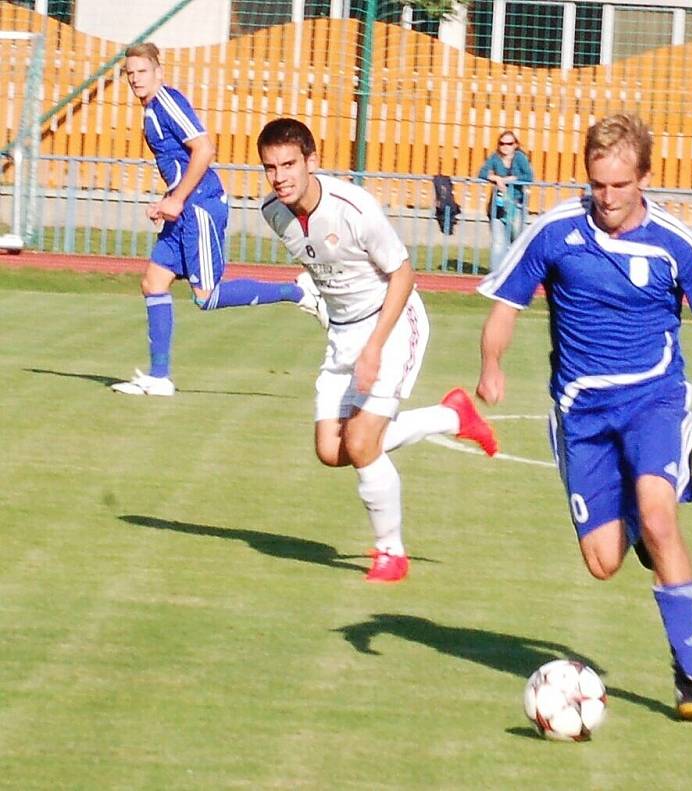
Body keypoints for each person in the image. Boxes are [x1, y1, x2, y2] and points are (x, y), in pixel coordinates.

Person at [476, 113, 692, 721]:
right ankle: (639, 523)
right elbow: (505, 305)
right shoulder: (557, 230)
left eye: (620, 185)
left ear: (644, 177)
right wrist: (492, 364)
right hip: (581, 414)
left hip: (654, 400)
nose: (607, 198)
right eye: (598, 184)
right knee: (603, 563)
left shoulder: (676, 242)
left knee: (659, 515)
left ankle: (689, 679)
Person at [257, 117, 498, 583]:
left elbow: (404, 275)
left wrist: (373, 347)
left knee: (362, 443)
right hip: (343, 333)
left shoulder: (354, 208)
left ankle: (391, 552)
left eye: (289, 164)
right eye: (270, 167)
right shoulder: (274, 211)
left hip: (393, 322)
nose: (280, 176)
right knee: (332, 451)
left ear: (312, 161)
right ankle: (453, 417)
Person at [112, 43, 326, 397]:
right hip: (183, 207)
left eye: (142, 71)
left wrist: (178, 199)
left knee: (207, 297)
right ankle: (159, 377)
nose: (135, 78)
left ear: (158, 72)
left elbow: (205, 148)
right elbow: (180, 162)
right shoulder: (151, 109)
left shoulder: (166, 102)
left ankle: (299, 292)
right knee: (153, 283)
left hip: (200, 208)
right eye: (130, 73)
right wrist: (168, 199)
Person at [478, 131, 534, 272]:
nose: (505, 147)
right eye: (502, 143)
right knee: (498, 241)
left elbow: (528, 176)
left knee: (518, 239)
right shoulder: (495, 158)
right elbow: (482, 172)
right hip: (498, 204)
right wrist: (496, 178)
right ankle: (496, 274)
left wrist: (509, 180)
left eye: (509, 143)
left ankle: (519, 270)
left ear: (515, 145)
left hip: (516, 203)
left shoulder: (520, 158)